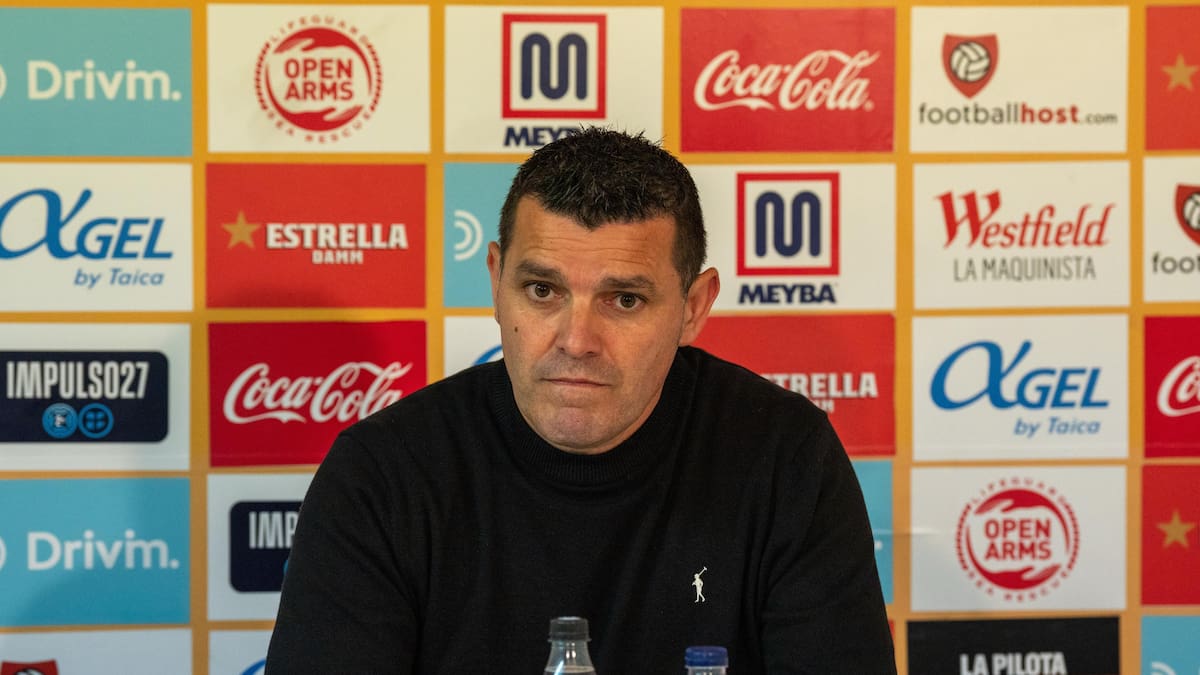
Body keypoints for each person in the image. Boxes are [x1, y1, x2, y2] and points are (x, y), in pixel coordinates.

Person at [266, 127, 895, 673]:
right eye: (543, 290)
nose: (576, 341)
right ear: (496, 282)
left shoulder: (785, 458)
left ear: (694, 308)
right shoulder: (383, 474)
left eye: (625, 300)